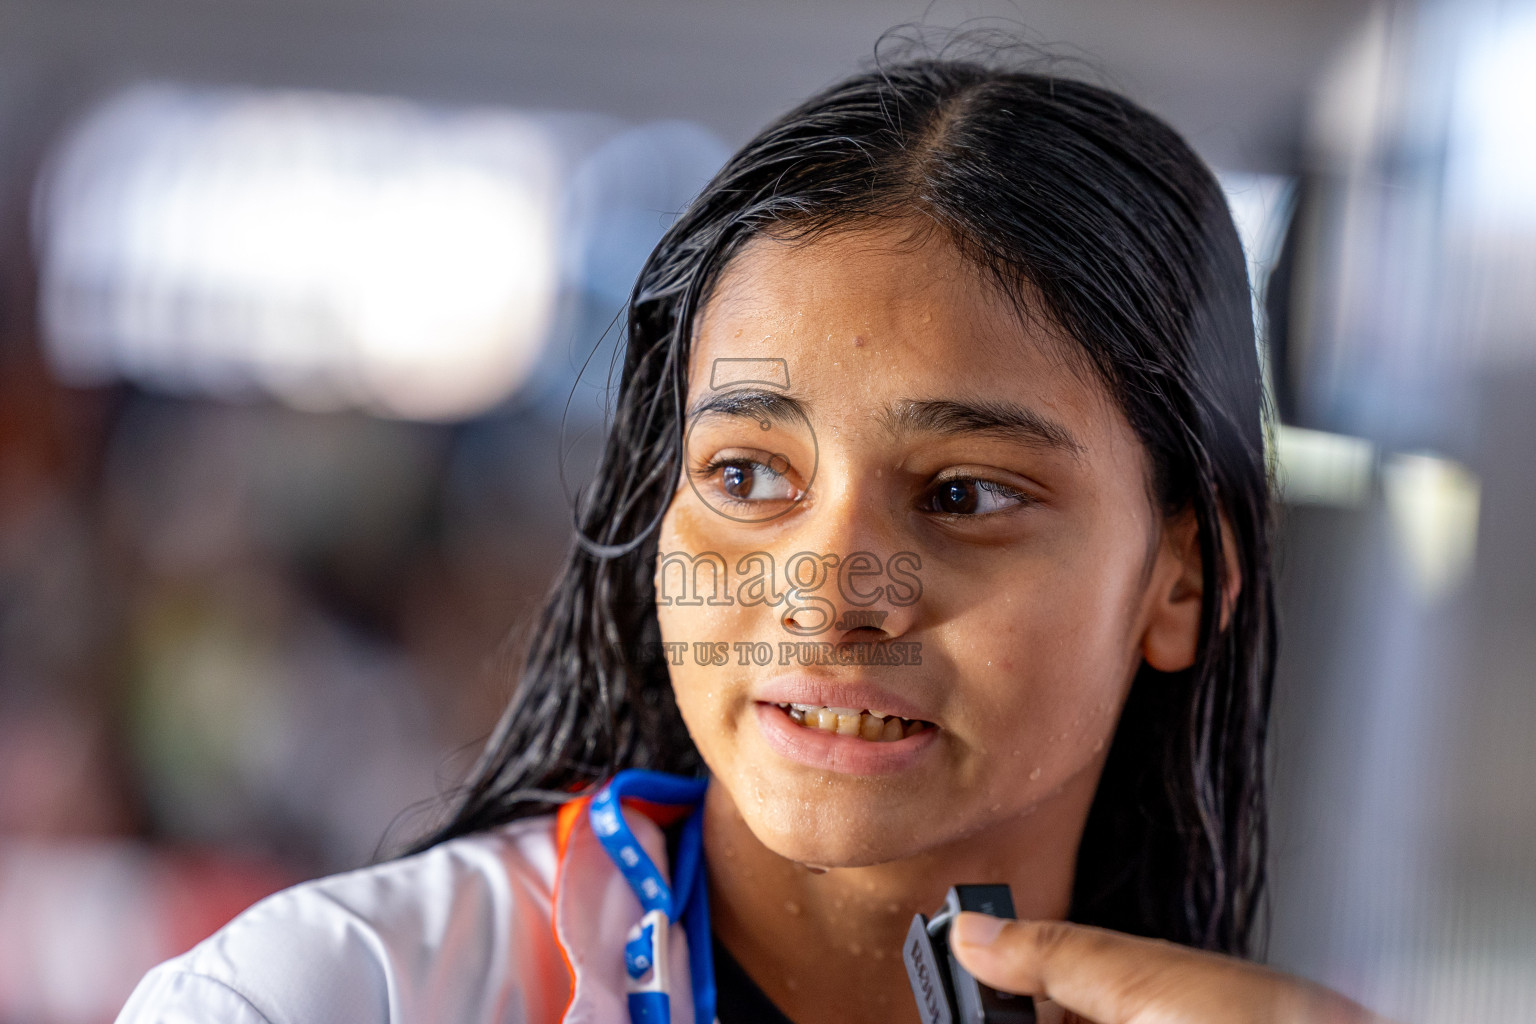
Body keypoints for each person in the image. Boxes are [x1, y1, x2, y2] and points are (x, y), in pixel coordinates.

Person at [116, 50, 1387, 1024]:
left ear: (1179, 578)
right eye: (745, 472)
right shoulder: (328, 998)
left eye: (964, 495)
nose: (827, 597)